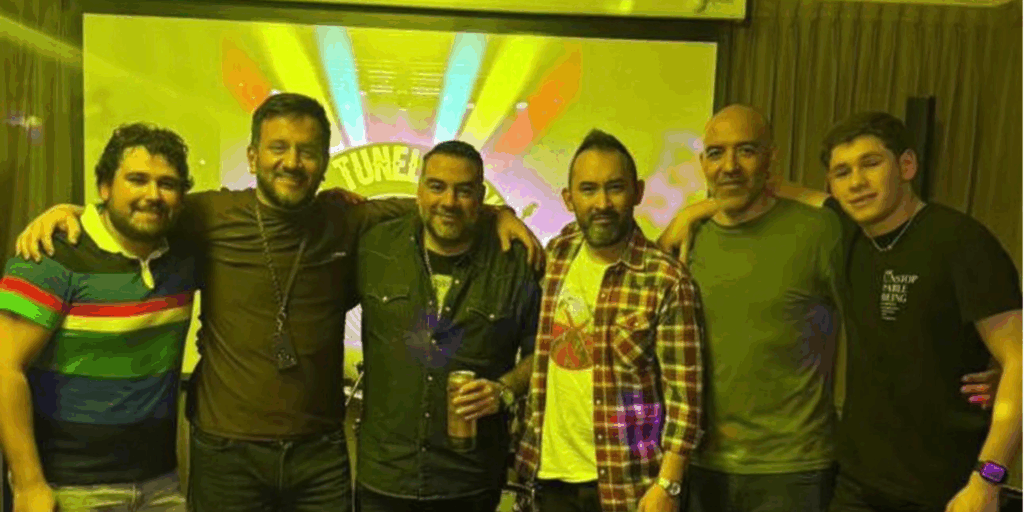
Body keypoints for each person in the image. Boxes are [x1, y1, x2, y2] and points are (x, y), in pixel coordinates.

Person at [12, 93, 543, 512]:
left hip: (320, 454)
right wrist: (72, 212)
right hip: (227, 452)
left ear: (324, 162)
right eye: (278, 148)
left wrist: (498, 213)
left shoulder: (346, 218)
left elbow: (436, 205)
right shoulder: (208, 216)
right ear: (253, 156)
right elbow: (140, 210)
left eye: (307, 151)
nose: (292, 162)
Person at [661, 110, 1020, 512]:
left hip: (951, 487)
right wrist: (693, 212)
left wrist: (988, 478)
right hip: (857, 484)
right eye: (842, 172)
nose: (857, 182)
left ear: (906, 165)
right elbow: (767, 187)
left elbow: (1020, 357)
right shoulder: (848, 237)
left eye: (871, 164)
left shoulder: (959, 241)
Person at [0, 123, 197, 512]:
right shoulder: (50, 255)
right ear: (105, 187)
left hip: (162, 484)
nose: (152, 195)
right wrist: (28, 483)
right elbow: (5, 369)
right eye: (137, 180)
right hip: (71, 489)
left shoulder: (183, 254)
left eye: (167, 184)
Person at [514, 129, 705, 512]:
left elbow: (685, 399)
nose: (602, 203)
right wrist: (500, 213)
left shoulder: (666, 279)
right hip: (546, 478)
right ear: (569, 199)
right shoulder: (559, 253)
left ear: (638, 192)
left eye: (615, 188)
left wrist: (668, 484)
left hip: (627, 486)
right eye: (588, 190)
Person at [354, 140, 540, 512]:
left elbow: (544, 352)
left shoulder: (514, 262)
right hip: (385, 477)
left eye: (464, 191)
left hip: (469, 481)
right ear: (419, 190)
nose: (449, 202)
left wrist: (505, 389)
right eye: (437, 186)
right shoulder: (375, 247)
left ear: (480, 197)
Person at [675, 104, 845, 512]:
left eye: (746, 151)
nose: (729, 166)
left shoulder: (819, 232)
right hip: (701, 466)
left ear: (772, 158)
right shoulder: (689, 237)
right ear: (703, 164)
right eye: (716, 153)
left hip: (793, 470)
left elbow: (877, 325)